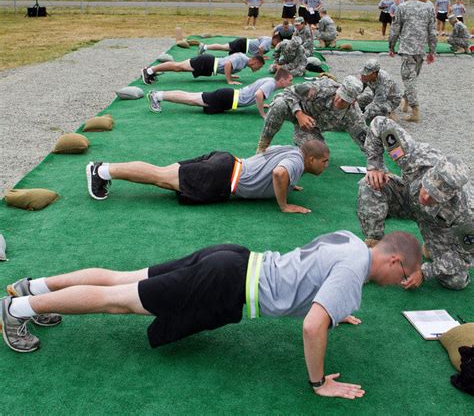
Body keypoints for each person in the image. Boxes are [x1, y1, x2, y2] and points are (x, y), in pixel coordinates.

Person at [0, 229, 422, 402]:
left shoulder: (351, 242)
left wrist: (334, 308)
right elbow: (313, 324)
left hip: (233, 257)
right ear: (395, 262)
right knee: (119, 299)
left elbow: (313, 271)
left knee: (120, 278)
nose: (400, 283)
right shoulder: (353, 273)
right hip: (224, 285)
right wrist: (318, 383)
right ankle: (16, 308)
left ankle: (32, 287)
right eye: (405, 276)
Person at [358, 116, 473, 290]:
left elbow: (464, 257)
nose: (425, 198)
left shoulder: (467, 212)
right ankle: (374, 250)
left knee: (456, 281)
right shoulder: (413, 156)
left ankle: (432, 248)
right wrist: (375, 165)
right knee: (370, 184)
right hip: (406, 198)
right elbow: (380, 124)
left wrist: (426, 272)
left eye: (434, 197)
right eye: (426, 189)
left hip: (436, 226)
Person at [85, 140, 330, 214]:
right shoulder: (296, 162)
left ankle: (104, 170)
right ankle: (101, 170)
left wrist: (290, 184)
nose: (326, 166)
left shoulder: (293, 151)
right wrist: (284, 205)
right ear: (311, 159)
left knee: (161, 173)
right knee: (159, 176)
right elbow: (278, 172)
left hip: (226, 162)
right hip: (223, 176)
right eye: (324, 161)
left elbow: (267, 153)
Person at [256, 76, 367, 154]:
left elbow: (366, 142)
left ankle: (299, 145)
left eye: (344, 101)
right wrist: (299, 114)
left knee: (317, 153)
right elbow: (288, 92)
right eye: (339, 96)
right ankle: (263, 146)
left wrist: (375, 168)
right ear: (338, 89)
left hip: (311, 127)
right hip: (295, 109)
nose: (339, 101)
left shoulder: (354, 115)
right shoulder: (322, 88)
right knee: (279, 104)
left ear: (353, 101)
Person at [146, 68, 293, 119]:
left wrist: (261, 103)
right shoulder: (271, 84)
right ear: (282, 80)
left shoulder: (269, 81)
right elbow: (258, 95)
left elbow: (256, 93)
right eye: (289, 80)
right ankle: (157, 95)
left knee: (191, 96)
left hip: (228, 96)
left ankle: (159, 95)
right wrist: (262, 113)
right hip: (228, 97)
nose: (290, 83)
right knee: (190, 99)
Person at [389, 0, 437, 122]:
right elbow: (432, 32)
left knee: (408, 79)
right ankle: (406, 102)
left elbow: (395, 30)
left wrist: (391, 47)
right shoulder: (428, 8)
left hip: (408, 50)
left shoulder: (402, 8)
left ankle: (415, 110)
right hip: (420, 51)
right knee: (412, 78)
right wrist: (431, 51)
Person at [141, 53, 264, 86]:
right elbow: (227, 64)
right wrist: (229, 81)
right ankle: (149, 70)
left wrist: (231, 76)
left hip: (209, 66)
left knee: (178, 68)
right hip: (207, 63)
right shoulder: (242, 58)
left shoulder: (243, 63)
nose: (258, 69)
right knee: (177, 66)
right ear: (255, 61)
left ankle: (151, 71)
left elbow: (228, 65)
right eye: (260, 66)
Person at [357, 59, 402, 123]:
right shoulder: (366, 76)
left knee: (373, 110)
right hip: (376, 94)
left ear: (374, 74)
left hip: (391, 100)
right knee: (359, 100)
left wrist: (361, 119)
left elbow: (378, 102)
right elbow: (359, 88)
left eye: (367, 73)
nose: (364, 75)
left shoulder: (383, 80)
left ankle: (389, 114)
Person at [198, 36, 278, 57]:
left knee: (224, 48)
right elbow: (261, 47)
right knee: (224, 48)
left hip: (244, 43)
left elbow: (259, 38)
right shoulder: (268, 41)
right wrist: (260, 56)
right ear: (275, 39)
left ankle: (205, 47)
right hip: (243, 44)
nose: (278, 43)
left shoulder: (268, 39)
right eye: (278, 41)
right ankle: (204, 47)